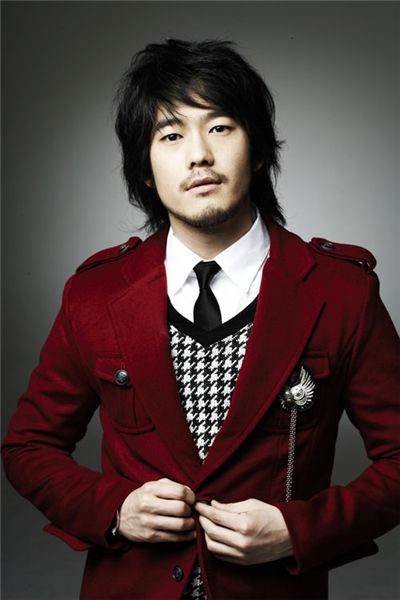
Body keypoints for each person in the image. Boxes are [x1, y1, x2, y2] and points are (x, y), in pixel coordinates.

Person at [2, 39, 399, 600]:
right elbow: (27, 447)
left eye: (220, 127)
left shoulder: (342, 293)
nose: (199, 156)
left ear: (257, 150)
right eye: (170, 135)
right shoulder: (94, 296)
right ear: (144, 170)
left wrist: (298, 531)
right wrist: (115, 509)